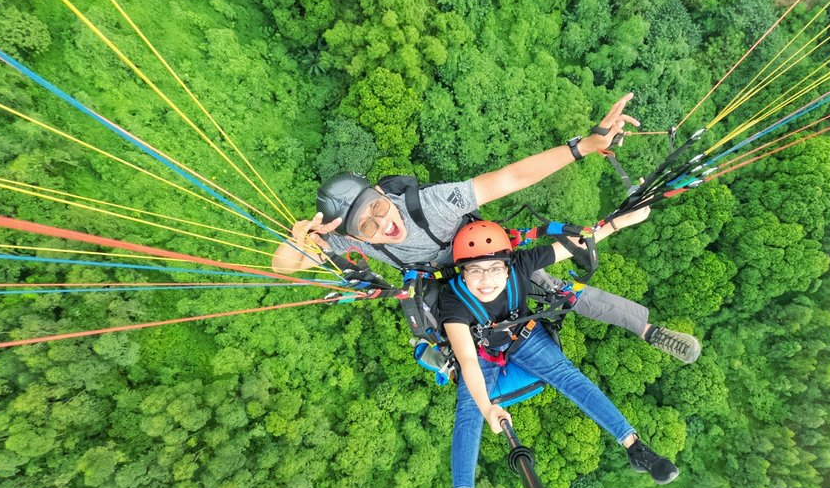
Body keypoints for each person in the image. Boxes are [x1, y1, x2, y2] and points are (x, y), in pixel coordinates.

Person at [271, 93, 700, 363]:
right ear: (354, 234)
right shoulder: (346, 237)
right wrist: (298, 240)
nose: (384, 224)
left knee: (553, 288)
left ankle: (648, 330)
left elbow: (509, 178)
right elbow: (283, 268)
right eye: (367, 225)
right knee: (438, 323)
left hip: (479, 251)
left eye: (379, 207)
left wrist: (582, 147)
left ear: (383, 191)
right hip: (437, 283)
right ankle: (463, 365)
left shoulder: (434, 205)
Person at [438, 219, 680, 488]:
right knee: (469, 412)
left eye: (495, 268)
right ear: (462, 272)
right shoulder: (453, 302)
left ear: (508, 266)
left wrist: (621, 221)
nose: (487, 279)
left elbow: (573, 244)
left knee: (570, 378)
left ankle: (635, 446)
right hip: (483, 355)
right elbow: (466, 358)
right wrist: (486, 405)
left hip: (522, 337)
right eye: (475, 271)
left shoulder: (521, 265)